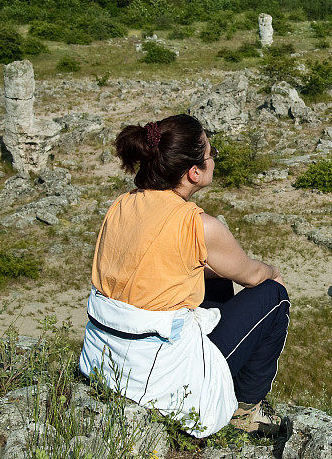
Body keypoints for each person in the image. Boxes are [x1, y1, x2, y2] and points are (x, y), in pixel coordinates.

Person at [79, 114, 290, 437]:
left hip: (105, 357)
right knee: (274, 296)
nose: (213, 159)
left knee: (215, 277)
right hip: (156, 373)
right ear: (194, 172)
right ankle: (244, 409)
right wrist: (274, 273)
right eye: (211, 154)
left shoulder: (122, 205)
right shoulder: (198, 225)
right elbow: (252, 275)